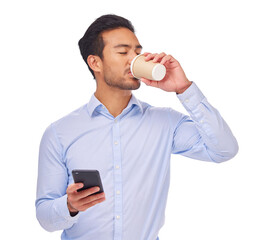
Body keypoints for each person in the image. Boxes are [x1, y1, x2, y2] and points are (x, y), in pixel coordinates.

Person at [35, 14, 238, 240]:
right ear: (95, 62)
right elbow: (44, 216)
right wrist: (69, 206)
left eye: (137, 53)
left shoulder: (165, 123)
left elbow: (224, 150)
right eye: (123, 52)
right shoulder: (59, 133)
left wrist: (184, 88)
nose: (133, 60)